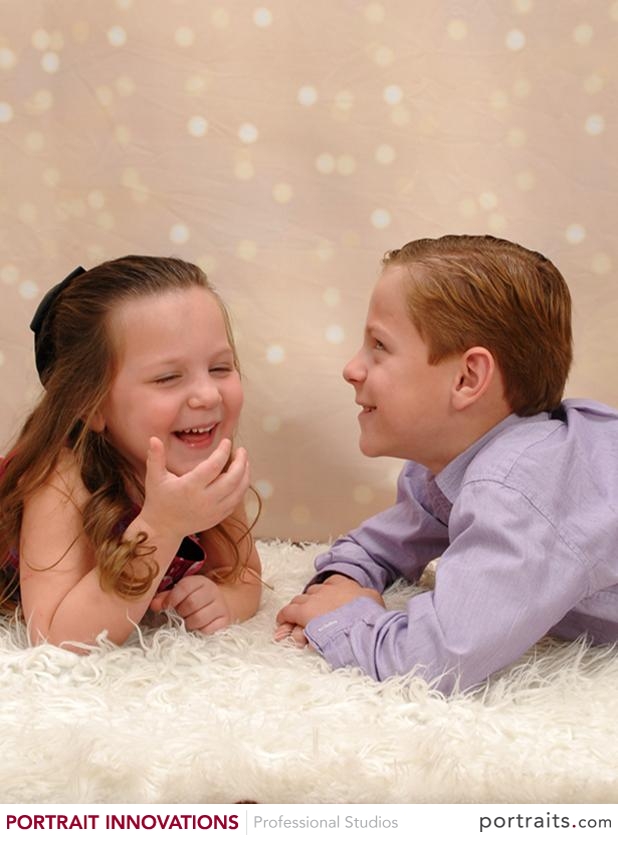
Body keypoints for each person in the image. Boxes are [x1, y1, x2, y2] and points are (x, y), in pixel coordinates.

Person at [276, 234, 618, 693]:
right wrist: (339, 583)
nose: (352, 369)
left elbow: (437, 660)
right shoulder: (448, 463)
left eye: (379, 346)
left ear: (467, 378)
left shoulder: (516, 487)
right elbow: (379, 545)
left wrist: (343, 617)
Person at [0, 255, 261, 650]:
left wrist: (225, 600)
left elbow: (244, 574)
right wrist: (161, 527)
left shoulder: (209, 467)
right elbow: (55, 637)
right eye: (168, 377)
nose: (208, 395)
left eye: (220, 368)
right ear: (91, 405)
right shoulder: (62, 480)